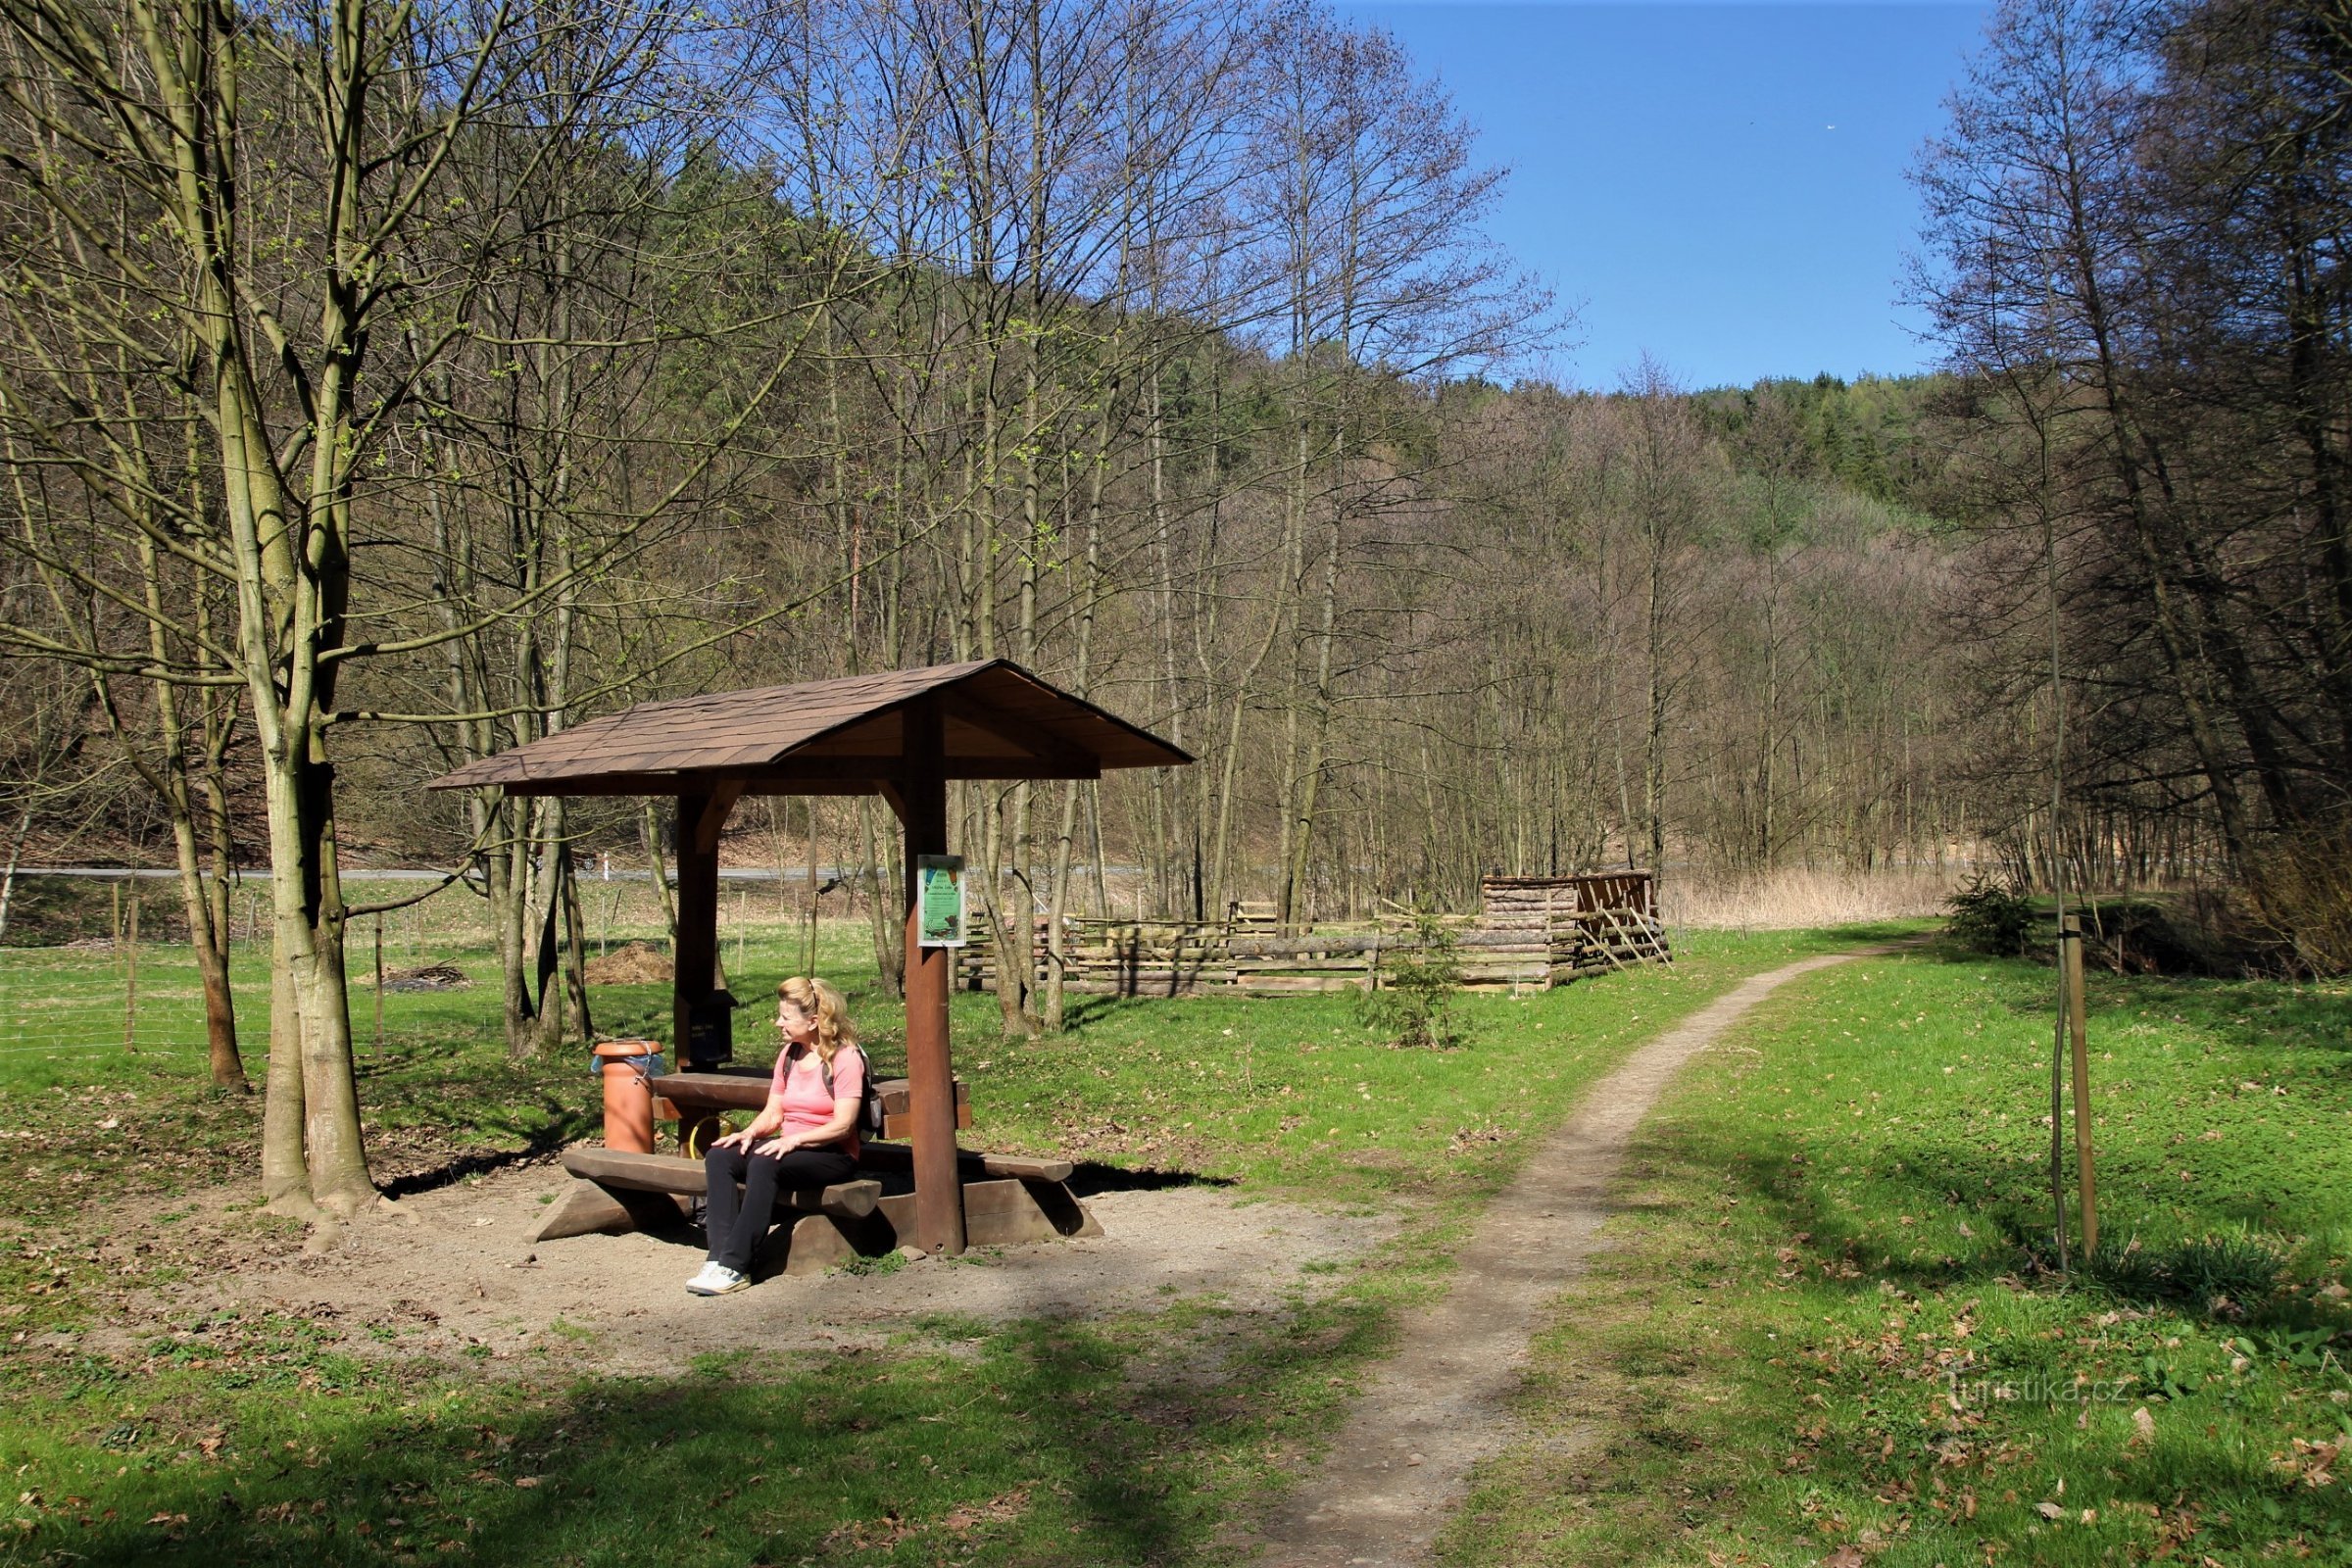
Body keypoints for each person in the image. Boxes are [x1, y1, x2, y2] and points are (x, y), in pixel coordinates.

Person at [687, 976, 865, 1295]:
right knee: (719, 1155)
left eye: (785, 1017)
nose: (777, 1022)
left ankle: (737, 1265)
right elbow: (774, 1111)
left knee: (763, 1162)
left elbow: (844, 1125)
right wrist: (748, 1133)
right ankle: (718, 1257)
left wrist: (793, 1140)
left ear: (813, 1021)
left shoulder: (845, 1058)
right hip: (790, 1148)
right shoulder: (789, 1056)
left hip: (832, 1153)